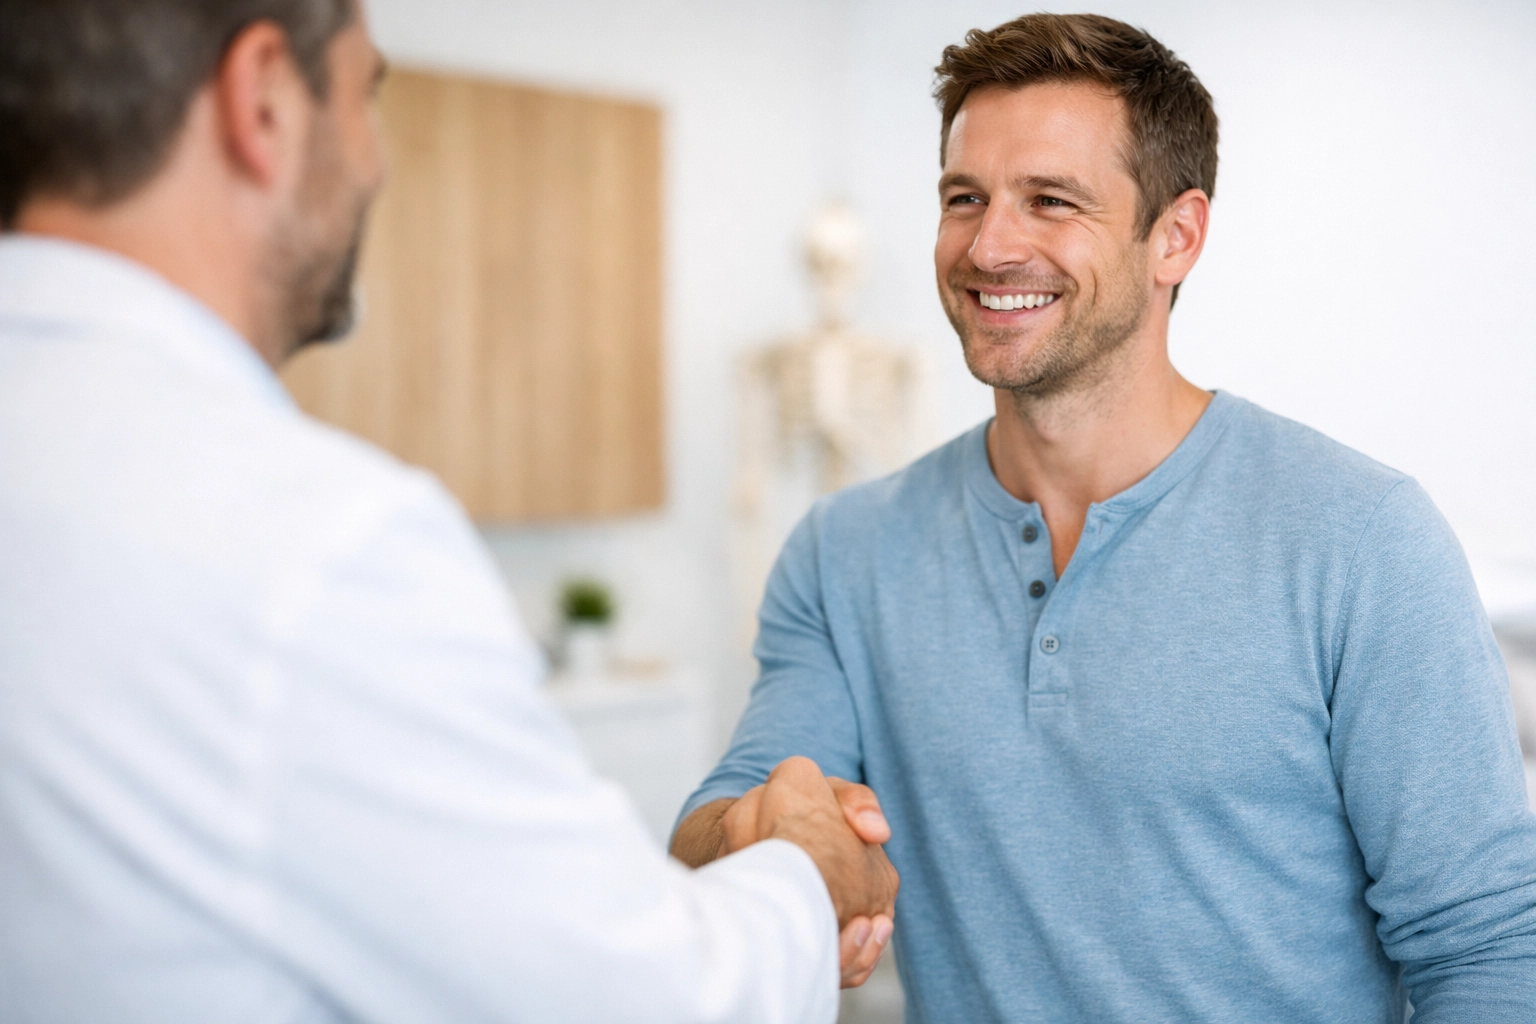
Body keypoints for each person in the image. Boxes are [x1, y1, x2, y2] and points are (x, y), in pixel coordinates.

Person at [0, 1, 899, 1021]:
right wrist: (805, 867)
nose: (377, 164)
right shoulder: (316, 548)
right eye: (364, 95)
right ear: (262, 102)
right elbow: (637, 999)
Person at [673, 12, 1536, 1022]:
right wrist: (782, 836)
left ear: (1175, 236)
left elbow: (1487, 947)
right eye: (964, 198)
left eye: (1051, 200)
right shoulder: (844, 551)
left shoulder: (1363, 539)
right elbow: (709, 828)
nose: (991, 245)